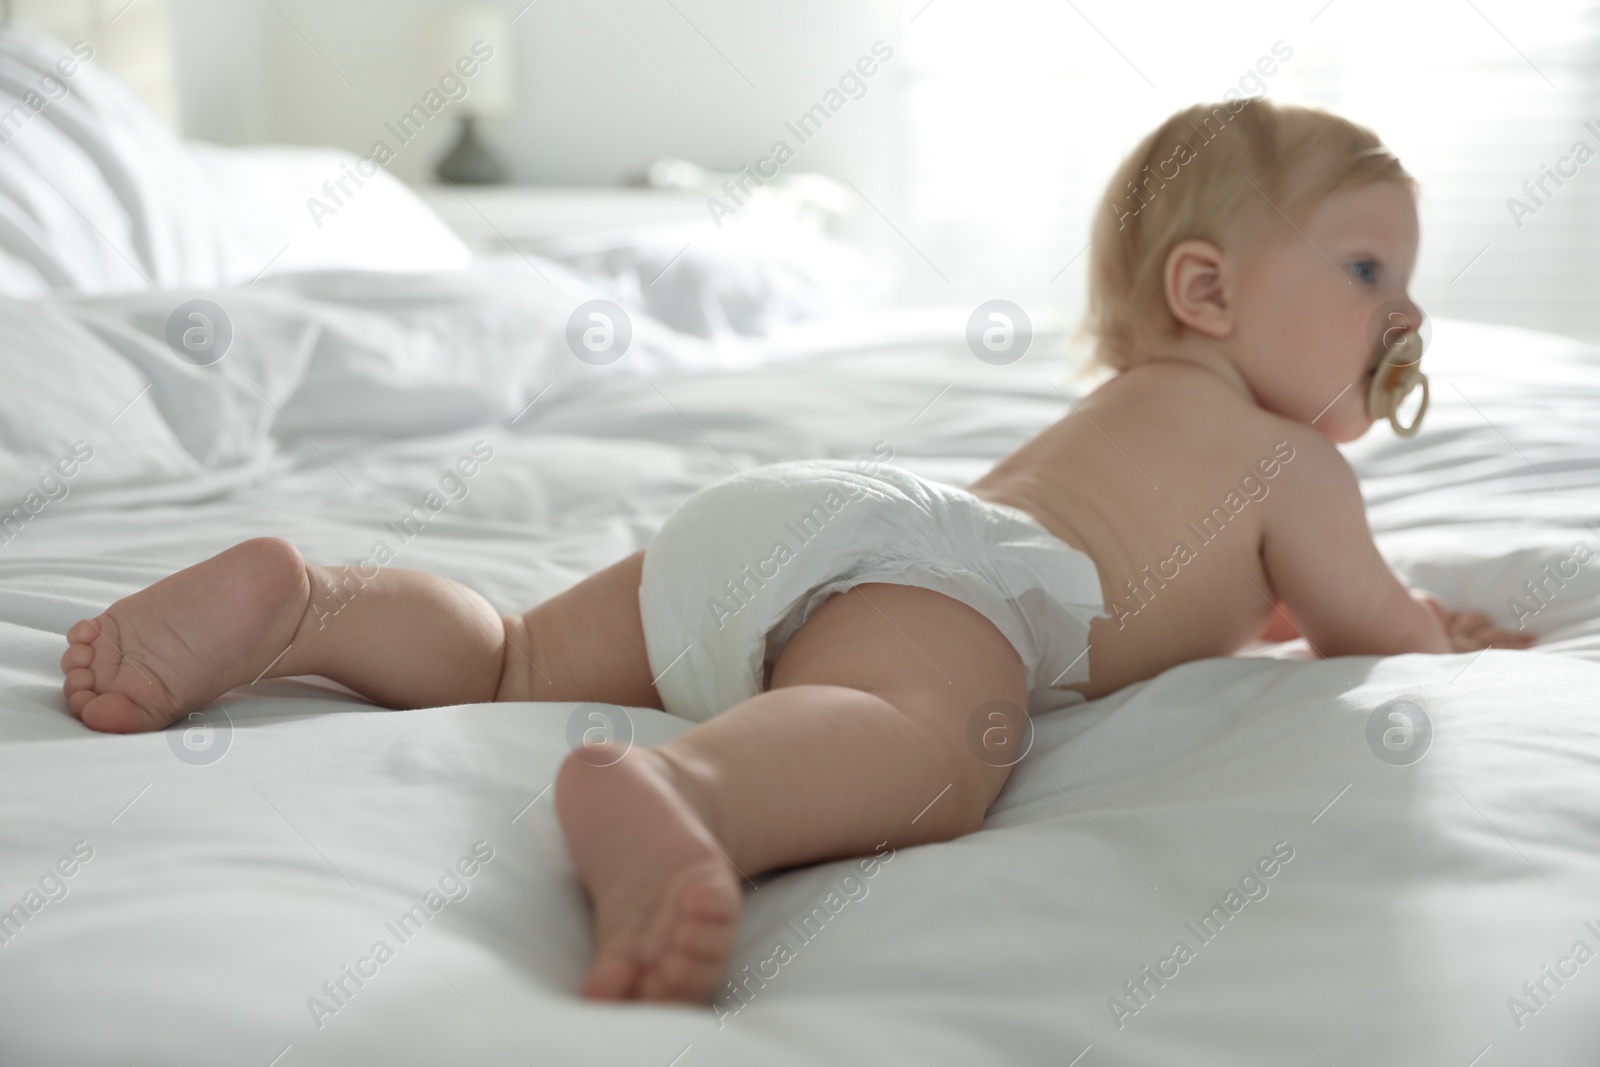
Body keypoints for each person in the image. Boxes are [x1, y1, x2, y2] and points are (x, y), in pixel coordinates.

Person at [59, 98, 1532, 1006]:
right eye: (1364, 271)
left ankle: (309, 605)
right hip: (952, 587)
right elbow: (1365, 630)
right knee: (929, 743)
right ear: (1205, 289)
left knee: (511, 657)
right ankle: (687, 794)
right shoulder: (1285, 461)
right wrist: (1438, 630)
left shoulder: (1127, 408)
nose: (1401, 317)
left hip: (796, 517)